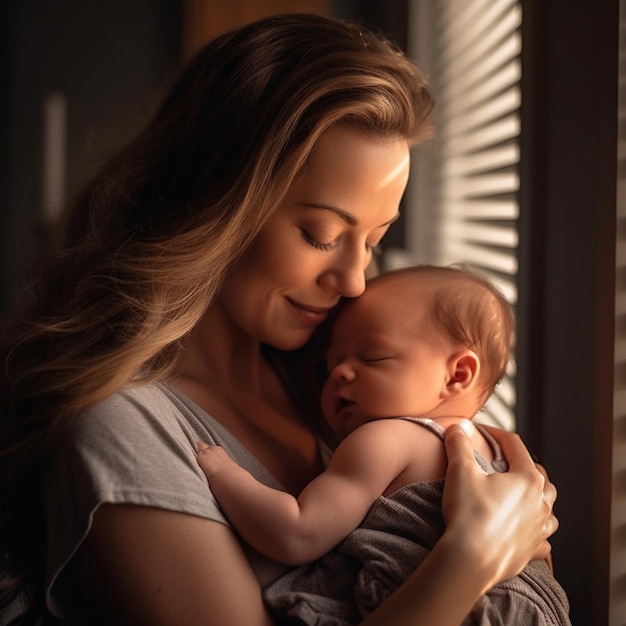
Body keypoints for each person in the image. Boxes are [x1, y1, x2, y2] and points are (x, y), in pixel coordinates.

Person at [0, 13, 558, 626]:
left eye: (372, 240)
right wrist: (475, 555)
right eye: (321, 235)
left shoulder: (329, 374)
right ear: (213, 201)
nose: (353, 281)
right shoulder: (126, 431)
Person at [198, 264, 571, 625]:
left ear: (457, 374)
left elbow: (298, 533)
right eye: (331, 364)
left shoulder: (386, 439)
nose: (340, 372)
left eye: (372, 357)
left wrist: (222, 472)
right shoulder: (499, 451)